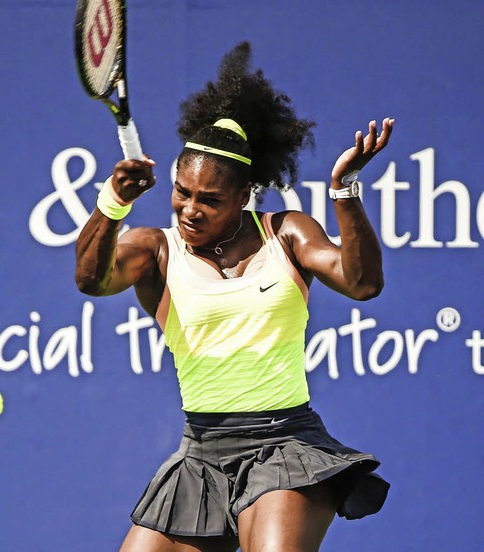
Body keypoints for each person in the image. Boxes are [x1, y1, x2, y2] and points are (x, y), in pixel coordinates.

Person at [75, 42, 393, 552]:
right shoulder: (154, 248)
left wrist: (344, 190)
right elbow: (92, 279)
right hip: (199, 451)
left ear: (244, 196)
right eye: (182, 192)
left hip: (285, 445)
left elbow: (362, 283)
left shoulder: (286, 233)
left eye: (209, 199)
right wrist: (112, 204)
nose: (189, 210)